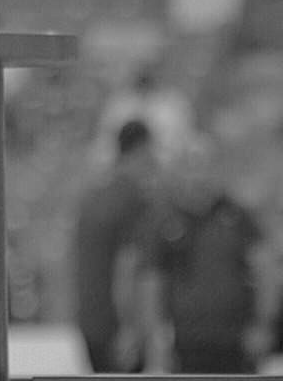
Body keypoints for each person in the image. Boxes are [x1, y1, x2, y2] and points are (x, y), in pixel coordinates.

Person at [140, 136, 270, 374]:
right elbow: (152, 281)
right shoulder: (164, 219)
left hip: (235, 339)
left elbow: (265, 270)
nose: (198, 176)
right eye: (190, 167)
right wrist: (156, 338)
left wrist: (263, 323)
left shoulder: (238, 216)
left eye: (205, 166)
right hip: (186, 341)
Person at [73, 118, 160, 374]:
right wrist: (129, 328)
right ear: (141, 149)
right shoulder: (134, 199)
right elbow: (127, 267)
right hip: (118, 329)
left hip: (90, 321)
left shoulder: (93, 197)